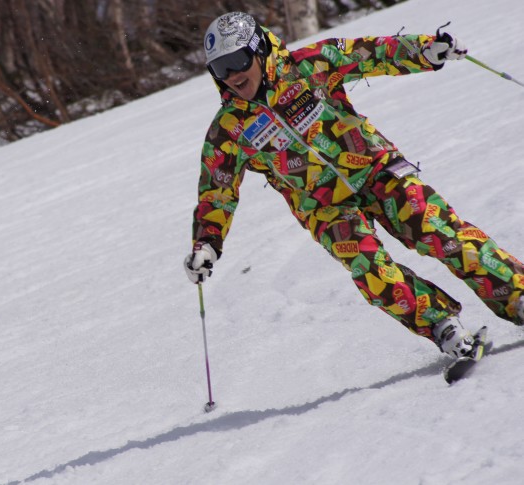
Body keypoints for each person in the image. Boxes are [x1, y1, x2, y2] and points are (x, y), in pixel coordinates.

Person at [184, 11, 524, 360]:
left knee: (437, 230)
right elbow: (217, 190)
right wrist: (207, 242)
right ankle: (444, 329)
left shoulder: (309, 66)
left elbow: (371, 52)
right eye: (221, 69)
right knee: (372, 271)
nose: (233, 75)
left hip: (377, 170)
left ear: (259, 50)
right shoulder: (228, 129)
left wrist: (425, 50)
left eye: (238, 60)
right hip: (324, 207)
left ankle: (516, 295)